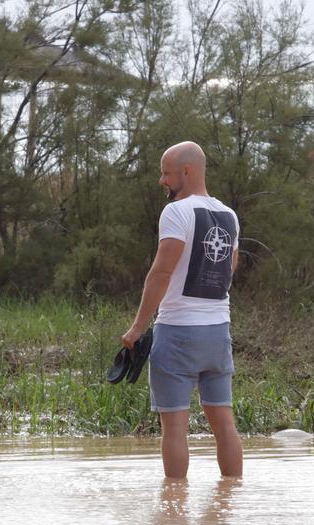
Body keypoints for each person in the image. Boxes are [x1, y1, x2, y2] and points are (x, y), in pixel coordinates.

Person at [121, 141, 244, 479]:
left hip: (177, 332)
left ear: (186, 172)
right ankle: (231, 503)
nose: (162, 180)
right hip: (218, 333)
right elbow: (230, 266)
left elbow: (160, 273)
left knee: (174, 429)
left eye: (166, 173)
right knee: (224, 424)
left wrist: (136, 329)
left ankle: (174, 513)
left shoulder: (176, 212)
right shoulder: (228, 215)